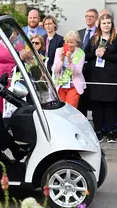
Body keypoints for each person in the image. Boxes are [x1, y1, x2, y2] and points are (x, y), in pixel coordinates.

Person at [85, 14, 117, 143]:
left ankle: (111, 132)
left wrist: (105, 55)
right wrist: (95, 54)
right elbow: (85, 55)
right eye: (104, 23)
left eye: (108, 23)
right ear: (100, 25)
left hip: (111, 77)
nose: (106, 25)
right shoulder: (94, 39)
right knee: (97, 105)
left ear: (112, 24)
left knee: (110, 105)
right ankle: (98, 131)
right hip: (95, 77)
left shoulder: (115, 39)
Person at [52, 31, 86, 108]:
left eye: (72, 42)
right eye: (67, 42)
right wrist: (61, 60)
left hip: (73, 86)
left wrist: (70, 60)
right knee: (60, 109)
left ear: (76, 43)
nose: (69, 45)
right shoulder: (59, 51)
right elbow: (55, 70)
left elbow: (78, 72)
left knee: (70, 109)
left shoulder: (80, 53)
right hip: (61, 84)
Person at [77, 8, 98, 117]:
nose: (89, 18)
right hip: (79, 71)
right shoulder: (79, 33)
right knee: (81, 100)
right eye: (87, 16)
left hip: (92, 70)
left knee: (93, 99)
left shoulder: (99, 33)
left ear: (96, 18)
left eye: (91, 16)